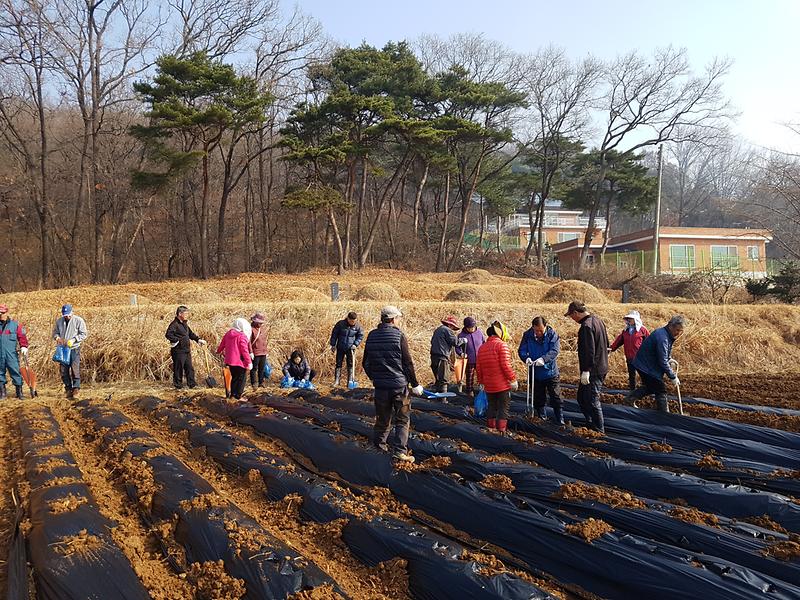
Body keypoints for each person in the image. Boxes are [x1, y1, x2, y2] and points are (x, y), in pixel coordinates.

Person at [362, 305, 423, 463]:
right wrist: (415, 384)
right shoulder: (399, 336)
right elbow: (407, 363)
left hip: (381, 387)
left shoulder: (372, 335)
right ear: (393, 319)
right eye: (398, 318)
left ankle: (379, 449)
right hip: (399, 387)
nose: (399, 321)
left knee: (382, 419)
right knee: (402, 419)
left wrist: (375, 378)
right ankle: (399, 452)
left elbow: (366, 363)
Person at [565, 301, 609, 433]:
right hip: (600, 366)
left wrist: (586, 370)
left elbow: (589, 350)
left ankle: (599, 430)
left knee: (592, 400)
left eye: (571, 316)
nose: (572, 319)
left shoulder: (586, 326)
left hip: (593, 370)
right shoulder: (598, 321)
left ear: (576, 313)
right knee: (582, 398)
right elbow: (607, 344)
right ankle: (590, 423)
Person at [629, 315, 686, 412]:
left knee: (651, 387)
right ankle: (664, 414)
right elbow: (662, 361)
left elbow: (663, 354)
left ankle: (630, 399)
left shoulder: (665, 334)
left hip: (645, 364)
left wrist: (669, 359)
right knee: (660, 389)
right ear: (671, 326)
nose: (678, 333)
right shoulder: (662, 337)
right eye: (677, 330)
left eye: (681, 331)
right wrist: (672, 377)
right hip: (646, 366)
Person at [518, 316, 563, 425]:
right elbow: (522, 349)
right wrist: (526, 358)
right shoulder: (528, 335)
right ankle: (542, 418)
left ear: (545, 327)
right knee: (538, 398)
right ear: (533, 327)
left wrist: (544, 359)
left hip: (550, 372)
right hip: (535, 372)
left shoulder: (552, 335)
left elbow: (554, 350)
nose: (539, 333)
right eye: (536, 330)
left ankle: (560, 419)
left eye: (541, 330)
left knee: (556, 397)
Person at [476, 321, 518, 434]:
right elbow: (506, 365)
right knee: (503, 408)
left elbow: (478, 367)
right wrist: (513, 379)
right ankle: (501, 431)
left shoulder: (482, 348)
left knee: (492, 407)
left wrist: (481, 382)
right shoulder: (501, 346)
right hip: (502, 385)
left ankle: (491, 430)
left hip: (489, 385)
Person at [52, 304, 88, 399]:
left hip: (74, 348)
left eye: (68, 314)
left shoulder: (78, 320)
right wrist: (57, 337)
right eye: (65, 315)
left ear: (72, 312)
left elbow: (84, 334)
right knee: (63, 370)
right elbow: (55, 332)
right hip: (63, 349)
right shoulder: (59, 321)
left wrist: (74, 340)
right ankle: (68, 388)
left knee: (74, 368)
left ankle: (76, 389)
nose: (67, 316)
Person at [165, 306, 206, 390]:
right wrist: (177, 341)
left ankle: (192, 384)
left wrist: (198, 340)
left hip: (186, 350)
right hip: (178, 350)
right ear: (180, 314)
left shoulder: (184, 324)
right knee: (178, 368)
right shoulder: (174, 324)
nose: (187, 315)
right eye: (186, 313)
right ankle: (178, 386)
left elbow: (190, 334)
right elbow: (168, 335)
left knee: (189, 368)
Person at [609, 310, 650, 391]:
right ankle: (632, 390)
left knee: (643, 374)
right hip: (630, 357)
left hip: (640, 357)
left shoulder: (642, 330)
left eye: (630, 318)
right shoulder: (626, 331)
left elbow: (649, 342)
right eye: (628, 319)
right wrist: (611, 348)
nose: (629, 320)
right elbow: (619, 341)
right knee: (632, 375)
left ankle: (646, 390)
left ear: (636, 320)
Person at [217, 318, 253, 400]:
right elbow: (244, 351)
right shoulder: (241, 336)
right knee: (241, 378)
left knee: (234, 377)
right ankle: (238, 396)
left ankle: (233, 395)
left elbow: (222, 344)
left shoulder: (228, 334)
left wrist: (218, 351)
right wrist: (249, 362)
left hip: (230, 361)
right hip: (240, 361)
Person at [0, 304, 29, 400]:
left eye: (3, 313)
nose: (1, 315)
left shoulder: (15, 325)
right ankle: (2, 393)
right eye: (0, 313)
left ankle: (19, 392)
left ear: (7, 312)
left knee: (15, 371)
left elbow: (22, 336)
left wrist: (24, 346)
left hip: (11, 354)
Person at [329, 311, 364, 386]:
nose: (352, 322)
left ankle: (350, 381)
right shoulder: (340, 324)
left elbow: (360, 336)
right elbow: (334, 334)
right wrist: (333, 344)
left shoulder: (358, 326)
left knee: (350, 364)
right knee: (338, 363)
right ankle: (337, 381)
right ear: (348, 319)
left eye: (354, 321)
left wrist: (355, 344)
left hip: (350, 348)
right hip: (340, 347)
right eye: (351, 321)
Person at [430, 316, 463, 393]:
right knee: (444, 379)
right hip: (442, 357)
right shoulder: (447, 330)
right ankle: (443, 400)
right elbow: (455, 342)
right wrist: (462, 340)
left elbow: (432, 342)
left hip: (434, 356)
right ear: (450, 325)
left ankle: (438, 398)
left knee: (438, 379)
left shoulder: (438, 330)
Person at [456, 317, 485, 396]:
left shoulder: (479, 333)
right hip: (469, 360)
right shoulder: (461, 335)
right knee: (469, 377)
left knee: (482, 375)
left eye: (473, 327)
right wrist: (461, 353)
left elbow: (484, 343)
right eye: (469, 328)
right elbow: (457, 348)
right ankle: (470, 392)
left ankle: (483, 391)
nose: (472, 329)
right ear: (465, 327)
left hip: (480, 359)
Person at [249, 312, 269, 388]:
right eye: (259, 323)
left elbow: (264, 341)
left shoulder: (262, 329)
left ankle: (261, 382)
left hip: (263, 352)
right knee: (254, 368)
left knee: (262, 368)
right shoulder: (251, 329)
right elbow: (249, 342)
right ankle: (254, 383)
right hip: (255, 352)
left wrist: (266, 351)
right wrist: (250, 352)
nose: (260, 324)